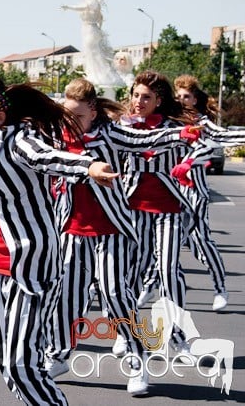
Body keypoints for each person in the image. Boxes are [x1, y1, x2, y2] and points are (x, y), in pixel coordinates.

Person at [0, 77, 118, 406]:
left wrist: (88, 166)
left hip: (27, 270)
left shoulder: (19, 140)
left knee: (20, 366)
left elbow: (47, 157)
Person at [44, 78, 201, 395]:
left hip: (111, 230)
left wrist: (180, 134)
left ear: (92, 109)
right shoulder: (59, 138)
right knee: (68, 299)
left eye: (77, 116)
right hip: (72, 231)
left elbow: (143, 140)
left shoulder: (111, 134)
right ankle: (59, 355)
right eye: (67, 115)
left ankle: (136, 359)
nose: (71, 122)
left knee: (115, 294)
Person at [119, 71, 210, 357]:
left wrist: (191, 162)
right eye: (135, 95)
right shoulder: (122, 126)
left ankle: (178, 336)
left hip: (169, 209)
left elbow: (205, 147)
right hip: (133, 209)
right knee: (130, 273)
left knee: (169, 270)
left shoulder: (175, 127)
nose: (138, 101)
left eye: (146, 97)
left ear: (159, 101)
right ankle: (126, 332)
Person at [174, 75, 245, 311]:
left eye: (187, 96)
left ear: (195, 99)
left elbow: (218, 141)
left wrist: (191, 161)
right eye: (179, 96)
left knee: (201, 240)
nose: (182, 100)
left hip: (195, 191)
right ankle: (148, 286)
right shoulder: (169, 121)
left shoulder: (202, 123)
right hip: (171, 191)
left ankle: (220, 288)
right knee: (163, 241)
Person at [61, 0, 124, 99]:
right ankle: (94, 74)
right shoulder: (96, 2)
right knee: (93, 53)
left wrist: (68, 7)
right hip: (90, 29)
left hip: (90, 29)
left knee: (92, 53)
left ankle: (96, 75)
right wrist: (98, 28)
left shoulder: (92, 1)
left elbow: (83, 8)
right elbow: (100, 18)